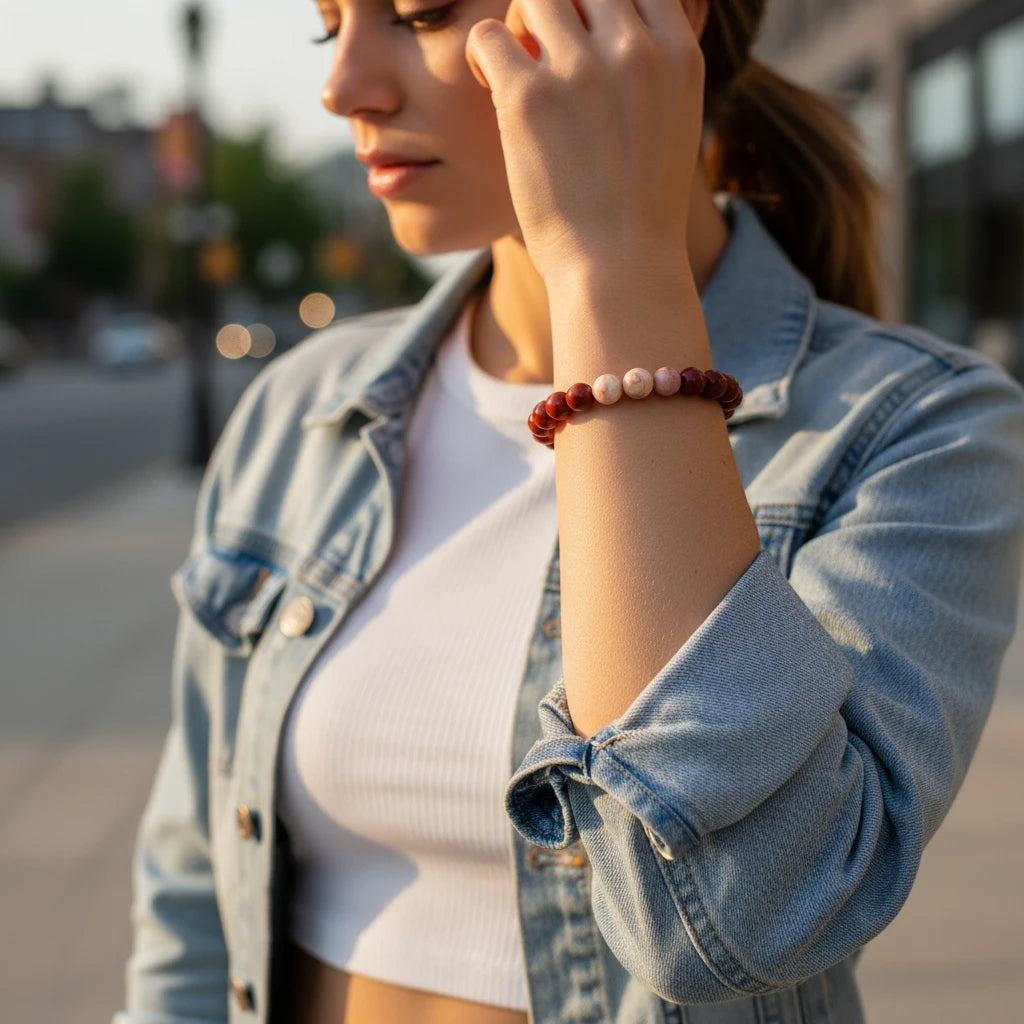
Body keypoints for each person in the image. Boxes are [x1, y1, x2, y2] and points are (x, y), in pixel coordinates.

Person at [116, 0, 1024, 1022]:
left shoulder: (914, 427)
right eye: (331, 27)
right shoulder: (304, 409)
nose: (343, 88)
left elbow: (738, 921)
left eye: (419, 13)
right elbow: (191, 911)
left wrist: (612, 264)